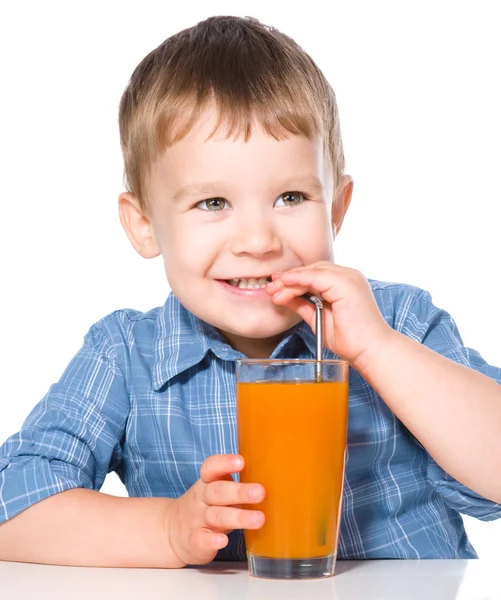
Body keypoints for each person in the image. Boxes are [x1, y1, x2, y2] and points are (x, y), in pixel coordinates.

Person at [0, 15, 500, 568]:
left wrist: (379, 351)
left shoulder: (400, 322)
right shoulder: (125, 355)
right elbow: (13, 508)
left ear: (335, 209)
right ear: (144, 225)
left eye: (290, 197)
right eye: (212, 203)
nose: (259, 241)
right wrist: (166, 530)